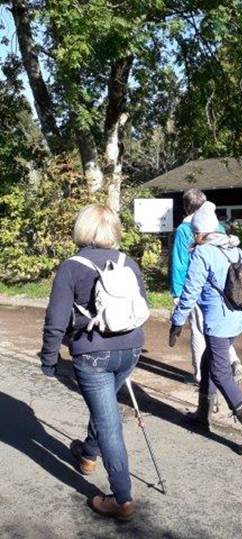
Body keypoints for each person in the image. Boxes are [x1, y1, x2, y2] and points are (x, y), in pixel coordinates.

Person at [40, 204, 147, 521]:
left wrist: (49, 360)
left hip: (92, 353)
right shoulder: (129, 263)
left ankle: (123, 500)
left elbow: (56, 320)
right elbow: (141, 308)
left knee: (108, 421)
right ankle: (88, 454)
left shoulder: (72, 267)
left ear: (83, 229)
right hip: (131, 349)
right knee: (105, 410)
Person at [169, 201, 242, 454]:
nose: (194, 236)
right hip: (237, 318)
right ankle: (202, 416)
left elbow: (190, 290)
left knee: (221, 373)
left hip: (218, 323)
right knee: (207, 362)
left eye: (195, 233)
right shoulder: (235, 249)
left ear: (201, 232)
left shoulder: (204, 253)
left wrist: (177, 320)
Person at [171, 188, 242, 384]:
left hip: (195, 287)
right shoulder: (218, 227)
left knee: (198, 330)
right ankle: (233, 360)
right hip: (222, 288)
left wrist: (178, 293)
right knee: (218, 329)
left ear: (186, 207)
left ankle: (200, 375)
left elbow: (180, 263)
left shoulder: (184, 229)